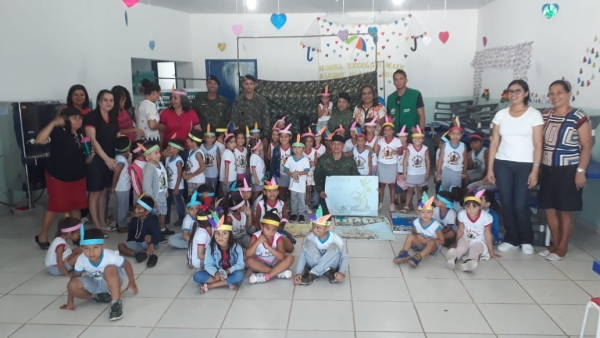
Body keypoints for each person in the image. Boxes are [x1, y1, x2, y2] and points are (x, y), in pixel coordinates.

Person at [486, 79, 543, 255]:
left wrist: (535, 169)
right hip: (503, 163)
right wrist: (490, 168)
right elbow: (494, 143)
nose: (513, 94)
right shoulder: (501, 115)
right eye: (510, 91)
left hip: (525, 165)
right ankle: (511, 238)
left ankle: (526, 239)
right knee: (506, 202)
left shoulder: (534, 115)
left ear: (526, 93)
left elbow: (538, 144)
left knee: (520, 203)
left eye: (517, 91)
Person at [538, 80, 592, 261]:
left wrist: (580, 171)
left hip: (568, 169)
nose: (555, 97)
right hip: (547, 167)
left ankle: (562, 247)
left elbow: (586, 147)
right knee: (549, 208)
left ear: (569, 93)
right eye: (551, 93)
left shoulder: (579, 117)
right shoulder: (546, 115)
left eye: (559, 92)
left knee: (565, 209)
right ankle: (554, 243)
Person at [34, 107, 92, 249]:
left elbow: (85, 159)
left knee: (76, 206)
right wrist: (54, 123)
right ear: (65, 120)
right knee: (54, 207)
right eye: (74, 118)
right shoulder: (58, 132)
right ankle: (43, 235)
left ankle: (75, 234)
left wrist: (90, 155)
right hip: (58, 177)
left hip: (77, 176)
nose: (78, 120)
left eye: (80, 117)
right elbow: (40, 140)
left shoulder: (80, 134)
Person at [61, 226, 137, 322]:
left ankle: (116, 304)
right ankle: (97, 297)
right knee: (72, 285)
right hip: (95, 281)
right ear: (82, 248)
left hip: (112, 280)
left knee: (109, 268)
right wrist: (70, 302)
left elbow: (127, 265)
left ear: (103, 247)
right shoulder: (81, 259)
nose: (91, 252)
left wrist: (132, 281)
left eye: (95, 247)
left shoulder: (110, 255)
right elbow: (74, 278)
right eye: (86, 249)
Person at [84, 90, 120, 236]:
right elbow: (93, 140)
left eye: (111, 100)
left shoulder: (113, 117)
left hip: (110, 159)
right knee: (95, 193)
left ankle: (103, 222)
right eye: (105, 100)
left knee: (104, 192)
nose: (108, 103)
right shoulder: (91, 117)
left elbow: (117, 137)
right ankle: (97, 227)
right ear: (99, 101)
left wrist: (126, 152)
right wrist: (106, 159)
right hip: (97, 160)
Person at [446, 191, 500, 272]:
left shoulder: (486, 217)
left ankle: (468, 263)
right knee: (461, 248)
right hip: (466, 238)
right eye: (468, 207)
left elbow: (488, 234)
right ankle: (452, 260)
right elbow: (460, 230)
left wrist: (491, 251)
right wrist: (456, 244)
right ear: (465, 207)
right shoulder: (462, 214)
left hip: (480, 241)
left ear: (479, 207)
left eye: (474, 207)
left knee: (475, 250)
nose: (471, 210)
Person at [294, 206, 348, 285]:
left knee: (334, 248)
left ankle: (313, 273)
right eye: (313, 226)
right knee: (308, 245)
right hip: (315, 263)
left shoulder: (336, 239)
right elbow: (303, 255)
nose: (314, 230)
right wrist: (298, 272)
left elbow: (344, 257)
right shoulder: (310, 237)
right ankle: (326, 272)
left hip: (332, 265)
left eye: (318, 228)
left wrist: (342, 272)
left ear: (327, 228)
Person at [193, 214, 245, 293]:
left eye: (224, 233)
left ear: (230, 235)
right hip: (217, 271)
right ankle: (228, 283)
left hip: (230, 272)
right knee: (197, 276)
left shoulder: (236, 247)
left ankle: (210, 285)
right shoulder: (211, 248)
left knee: (239, 275)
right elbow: (208, 265)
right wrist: (215, 273)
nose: (220, 237)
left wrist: (228, 271)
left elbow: (241, 264)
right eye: (217, 233)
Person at [393, 194, 444, 268]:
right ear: (418, 213)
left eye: (428, 212)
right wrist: (419, 237)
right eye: (423, 212)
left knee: (431, 242)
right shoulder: (416, 222)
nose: (426, 214)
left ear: (432, 213)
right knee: (410, 236)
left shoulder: (436, 225)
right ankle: (404, 253)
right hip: (420, 244)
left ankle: (418, 257)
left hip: (432, 246)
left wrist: (430, 239)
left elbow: (442, 241)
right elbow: (414, 233)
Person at [314, 134, 360, 214]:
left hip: (345, 197)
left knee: (343, 222)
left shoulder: (349, 161)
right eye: (334, 144)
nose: (336, 146)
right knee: (325, 221)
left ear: (343, 146)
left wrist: (372, 188)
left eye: (339, 144)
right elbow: (317, 176)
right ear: (331, 145)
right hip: (327, 197)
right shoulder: (323, 159)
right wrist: (320, 191)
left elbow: (357, 178)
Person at [246, 211, 295, 284]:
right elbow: (248, 254)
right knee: (248, 261)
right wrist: (258, 241)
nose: (270, 232)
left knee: (290, 258)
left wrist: (269, 247)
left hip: (275, 262)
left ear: (277, 229)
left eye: (274, 230)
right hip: (261, 263)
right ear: (262, 226)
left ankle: (266, 277)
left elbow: (281, 257)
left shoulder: (279, 237)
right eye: (267, 229)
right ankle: (278, 273)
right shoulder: (256, 236)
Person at [117, 195, 161, 267]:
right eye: (136, 208)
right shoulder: (134, 220)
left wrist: (152, 244)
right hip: (137, 243)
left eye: (139, 208)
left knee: (148, 237)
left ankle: (151, 255)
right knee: (120, 246)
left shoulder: (152, 220)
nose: (136, 210)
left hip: (149, 243)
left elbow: (157, 235)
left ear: (147, 212)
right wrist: (130, 245)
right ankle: (137, 255)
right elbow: (130, 236)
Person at [254, 177, 296, 253]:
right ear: (264, 192)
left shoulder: (281, 204)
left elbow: (284, 218)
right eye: (269, 191)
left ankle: (276, 244)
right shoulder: (260, 204)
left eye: (274, 191)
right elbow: (257, 220)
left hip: (277, 230)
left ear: (278, 192)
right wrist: (261, 231)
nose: (272, 193)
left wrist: (280, 229)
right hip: (265, 231)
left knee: (290, 249)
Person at [141, 141, 174, 236]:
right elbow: (147, 185)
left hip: (162, 193)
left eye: (159, 152)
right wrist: (151, 198)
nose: (159, 155)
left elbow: (164, 178)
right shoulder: (149, 168)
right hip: (155, 196)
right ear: (148, 156)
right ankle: (156, 232)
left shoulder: (160, 164)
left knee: (163, 211)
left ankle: (162, 229)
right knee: (155, 214)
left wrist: (166, 190)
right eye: (156, 153)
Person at [375, 117, 402, 212]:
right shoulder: (381, 140)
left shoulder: (397, 140)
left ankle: (392, 204)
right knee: (381, 185)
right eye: (385, 130)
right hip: (381, 164)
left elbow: (401, 152)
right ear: (383, 131)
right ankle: (381, 203)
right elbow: (375, 151)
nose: (387, 131)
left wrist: (397, 151)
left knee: (392, 185)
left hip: (392, 165)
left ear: (393, 131)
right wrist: (377, 139)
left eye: (389, 129)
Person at [403, 126, 430, 211]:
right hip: (411, 173)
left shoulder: (425, 149)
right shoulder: (409, 148)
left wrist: (427, 173)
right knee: (410, 190)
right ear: (412, 139)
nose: (417, 140)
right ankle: (407, 206)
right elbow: (405, 161)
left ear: (423, 139)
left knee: (420, 191)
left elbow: (428, 161)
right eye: (415, 138)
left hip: (421, 173)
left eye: (419, 138)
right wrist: (404, 172)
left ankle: (420, 205)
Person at [285, 135, 311, 222]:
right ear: (292, 149)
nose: (297, 150)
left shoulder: (305, 160)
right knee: (293, 199)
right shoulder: (290, 159)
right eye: (295, 148)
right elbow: (285, 169)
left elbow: (306, 171)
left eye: (299, 148)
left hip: (301, 185)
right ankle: (293, 213)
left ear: (303, 149)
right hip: (293, 185)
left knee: (301, 200)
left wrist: (298, 173)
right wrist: (291, 174)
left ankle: (301, 214)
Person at [436, 119, 467, 191]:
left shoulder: (463, 146)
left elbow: (465, 160)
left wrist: (464, 172)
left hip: (457, 172)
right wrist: (438, 173)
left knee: (455, 191)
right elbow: (441, 160)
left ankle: (455, 202)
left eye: (458, 134)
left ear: (462, 135)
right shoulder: (445, 146)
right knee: (445, 189)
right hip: (446, 171)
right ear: (449, 134)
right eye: (453, 133)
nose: (455, 136)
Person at [112, 136, 132, 232]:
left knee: (120, 206)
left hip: (122, 187)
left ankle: (120, 222)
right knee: (123, 207)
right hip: (122, 187)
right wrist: (113, 186)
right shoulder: (122, 161)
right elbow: (117, 174)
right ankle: (122, 225)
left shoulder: (119, 157)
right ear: (127, 148)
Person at [270, 124, 293, 203]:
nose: (283, 139)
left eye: (286, 136)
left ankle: (290, 208)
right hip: (280, 174)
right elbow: (273, 164)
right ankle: (282, 207)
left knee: (291, 192)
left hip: (291, 175)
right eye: (281, 136)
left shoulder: (293, 149)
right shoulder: (276, 149)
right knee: (281, 193)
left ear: (290, 137)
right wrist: (273, 177)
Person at [166, 138, 186, 226]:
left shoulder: (178, 160)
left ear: (176, 149)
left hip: (177, 186)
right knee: (167, 203)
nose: (168, 147)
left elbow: (179, 175)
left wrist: (177, 187)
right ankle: (166, 219)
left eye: (170, 146)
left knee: (178, 203)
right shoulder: (168, 158)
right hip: (169, 186)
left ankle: (181, 218)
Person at [184, 130, 206, 195]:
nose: (187, 140)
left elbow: (202, 168)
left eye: (188, 139)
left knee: (197, 201)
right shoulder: (191, 151)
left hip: (197, 181)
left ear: (193, 142)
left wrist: (190, 175)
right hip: (191, 181)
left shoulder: (198, 153)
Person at [301, 129, 318, 212]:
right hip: (301, 173)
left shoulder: (314, 151)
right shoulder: (301, 150)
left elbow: (316, 162)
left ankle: (306, 206)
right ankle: (301, 205)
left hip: (310, 173)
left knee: (308, 189)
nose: (309, 143)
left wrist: (313, 163)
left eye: (311, 141)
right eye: (307, 141)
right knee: (301, 189)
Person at [201, 124, 221, 191]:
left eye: (212, 137)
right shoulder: (201, 147)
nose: (210, 139)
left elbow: (218, 160)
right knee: (204, 190)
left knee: (212, 190)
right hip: (204, 174)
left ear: (215, 138)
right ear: (204, 138)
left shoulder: (216, 148)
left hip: (213, 174)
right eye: (208, 137)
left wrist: (219, 172)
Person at [395, 126, 409, 211]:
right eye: (400, 136)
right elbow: (394, 161)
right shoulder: (395, 147)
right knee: (398, 188)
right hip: (398, 170)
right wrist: (395, 173)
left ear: (407, 137)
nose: (402, 138)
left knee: (408, 187)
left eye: (404, 136)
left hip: (409, 171)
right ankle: (399, 201)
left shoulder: (410, 146)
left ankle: (407, 202)